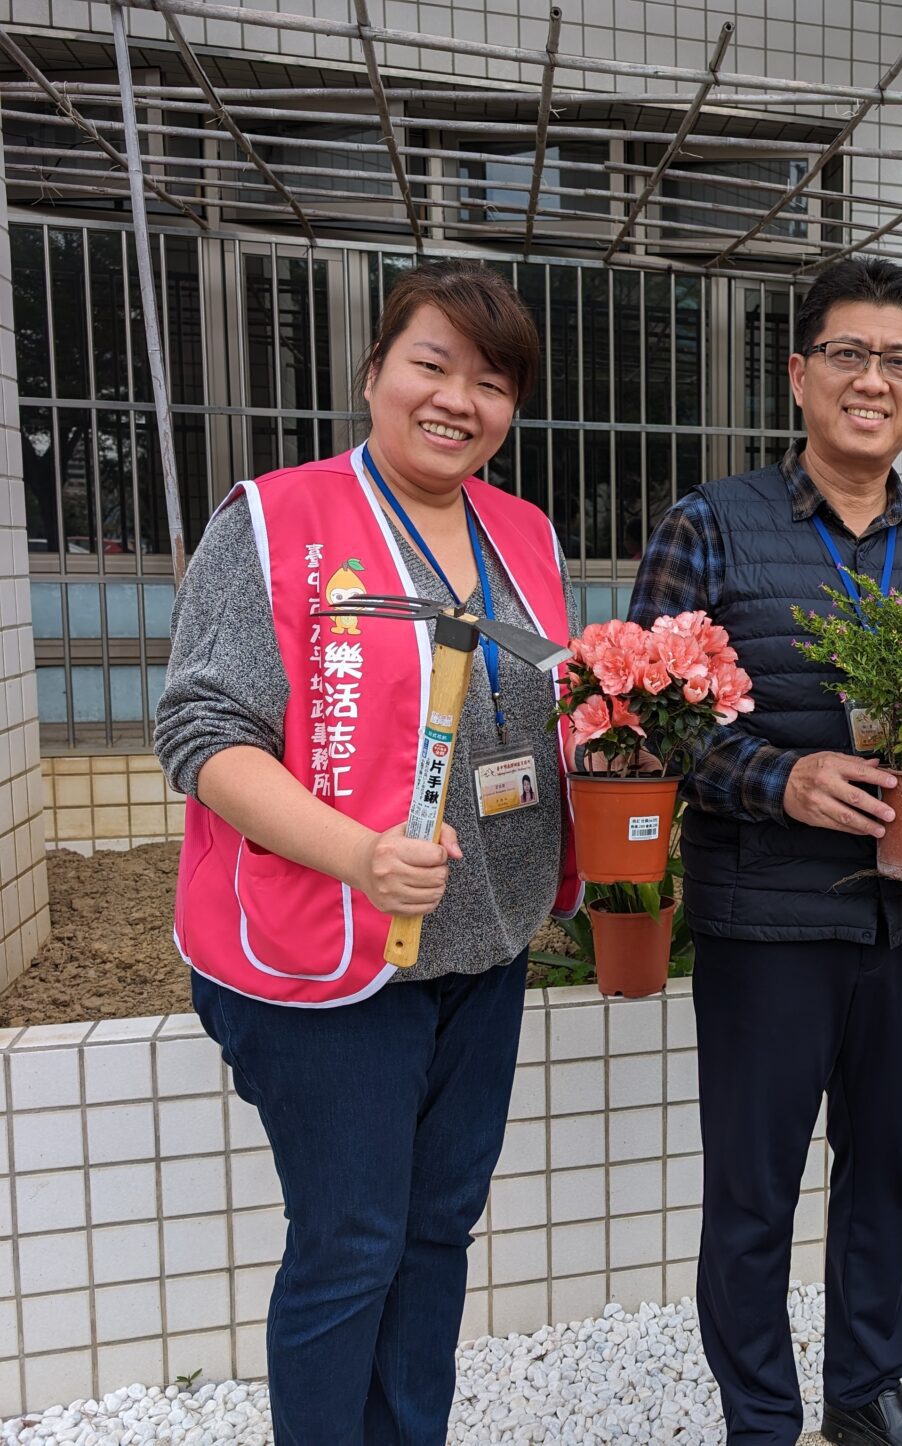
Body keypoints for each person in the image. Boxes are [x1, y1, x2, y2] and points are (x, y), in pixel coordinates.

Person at [155, 260, 580, 1442]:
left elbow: (545, 702)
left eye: (491, 382)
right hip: (331, 953)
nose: (457, 401)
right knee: (351, 1244)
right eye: (431, 365)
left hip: (483, 948)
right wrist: (357, 854)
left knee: (437, 1231)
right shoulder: (276, 519)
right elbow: (201, 733)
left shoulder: (522, 533)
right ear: (375, 371)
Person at [626, 255, 902, 1446]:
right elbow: (643, 713)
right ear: (799, 375)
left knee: (885, 1169)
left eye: (900, 361)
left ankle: (867, 1392)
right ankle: (761, 1417)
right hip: (768, 919)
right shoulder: (711, 524)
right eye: (848, 354)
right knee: (754, 1188)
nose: (872, 380)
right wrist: (779, 778)